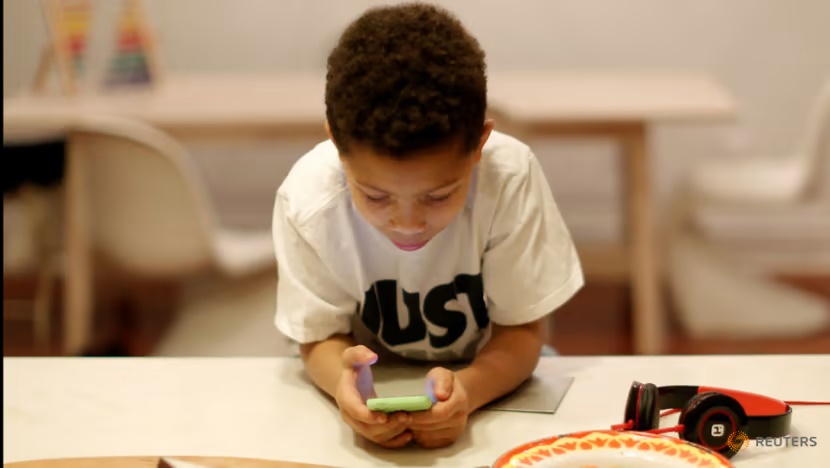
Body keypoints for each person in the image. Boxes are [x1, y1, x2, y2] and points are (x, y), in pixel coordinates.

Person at [272, 2, 583, 450]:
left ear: (479, 144)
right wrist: (343, 383)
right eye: (375, 195)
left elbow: (522, 333)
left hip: (493, 376)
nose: (408, 222)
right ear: (337, 147)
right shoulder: (307, 200)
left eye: (438, 195)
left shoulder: (508, 179)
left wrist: (470, 390)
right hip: (375, 387)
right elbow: (318, 339)